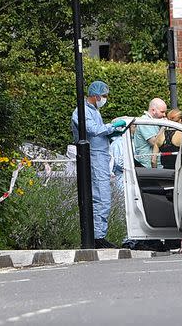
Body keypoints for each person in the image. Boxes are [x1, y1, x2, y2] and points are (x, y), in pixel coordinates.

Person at [71, 81, 126, 249]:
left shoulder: (93, 111)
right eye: (104, 96)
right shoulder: (81, 111)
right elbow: (93, 130)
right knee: (101, 198)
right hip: (94, 157)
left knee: (102, 198)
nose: (105, 99)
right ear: (95, 96)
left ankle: (98, 235)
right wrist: (111, 127)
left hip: (99, 156)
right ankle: (96, 237)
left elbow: (98, 133)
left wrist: (111, 133)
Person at [133, 98, 167, 168]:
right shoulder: (145, 122)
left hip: (155, 163)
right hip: (147, 165)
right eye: (162, 112)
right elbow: (154, 143)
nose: (164, 115)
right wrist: (163, 127)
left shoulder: (154, 121)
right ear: (153, 110)